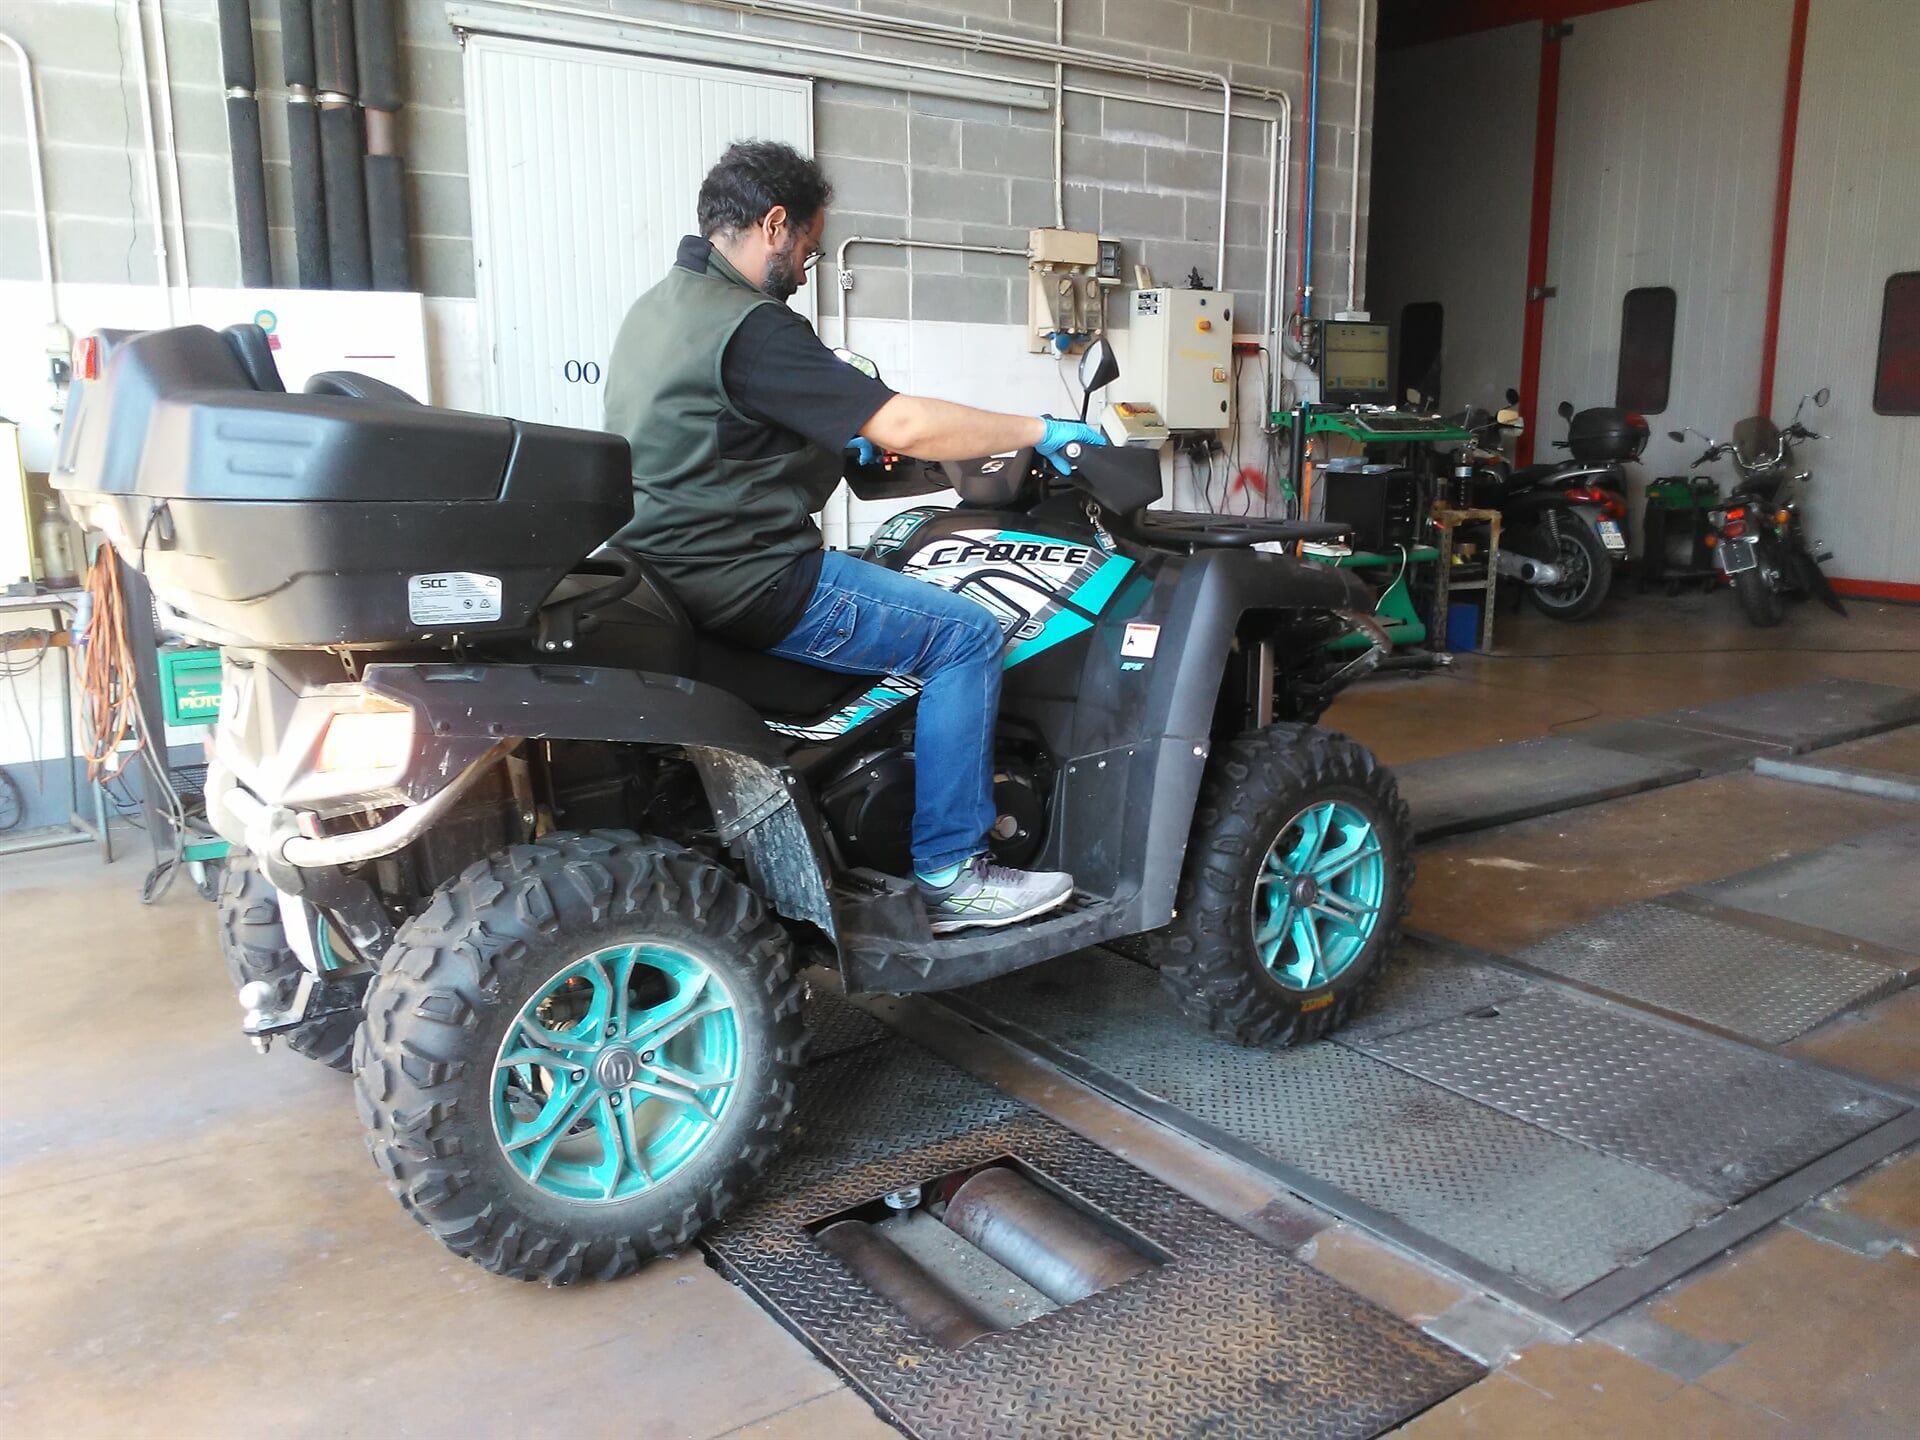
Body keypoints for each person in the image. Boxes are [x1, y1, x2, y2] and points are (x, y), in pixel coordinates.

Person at [604, 140, 1107, 933]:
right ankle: (954, 872)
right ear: (775, 225)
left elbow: (720, 432)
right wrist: (1039, 427)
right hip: (751, 579)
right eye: (809, 245)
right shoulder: (752, 325)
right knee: (966, 635)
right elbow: (903, 418)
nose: (808, 264)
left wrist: (839, 436)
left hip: (665, 568)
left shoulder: (660, 309)